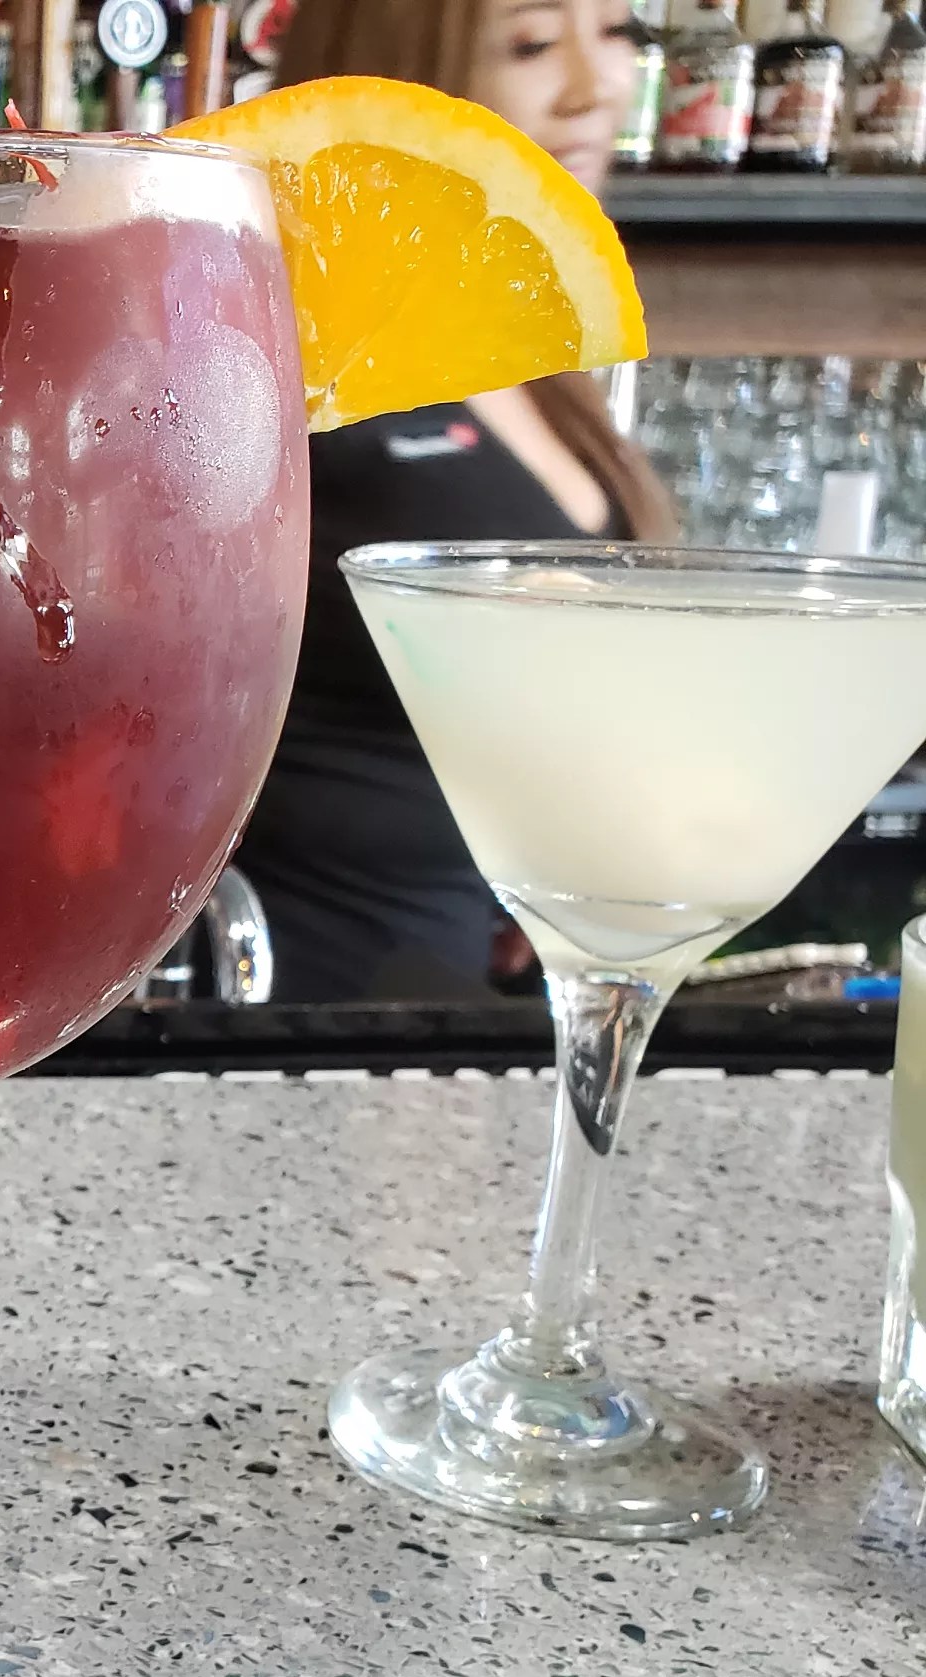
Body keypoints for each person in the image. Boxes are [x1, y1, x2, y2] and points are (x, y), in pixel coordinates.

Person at [229, 0, 680, 1002]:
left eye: (621, 33)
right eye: (533, 43)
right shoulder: (276, 343)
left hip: (475, 992)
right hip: (312, 1007)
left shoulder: (524, 360)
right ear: (396, 76)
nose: (598, 85)